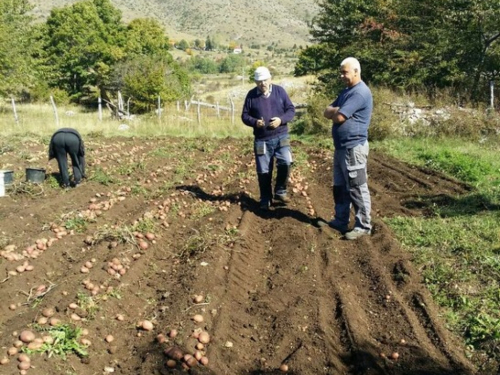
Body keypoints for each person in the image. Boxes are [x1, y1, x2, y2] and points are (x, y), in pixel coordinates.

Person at [323, 57, 373, 240]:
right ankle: (341, 220)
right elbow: (326, 111)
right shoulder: (347, 92)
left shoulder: (359, 93)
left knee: (357, 187)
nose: (342, 75)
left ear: (356, 71)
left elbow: (338, 117)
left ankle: (363, 225)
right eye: (341, 72)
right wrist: (335, 110)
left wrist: (336, 111)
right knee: (340, 187)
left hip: (354, 147)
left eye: (345, 72)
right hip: (341, 148)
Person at [242, 66, 296, 210]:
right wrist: (255, 122)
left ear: (270, 79)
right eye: (259, 81)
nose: (263, 83)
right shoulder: (251, 95)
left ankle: (280, 190)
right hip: (261, 139)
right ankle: (265, 198)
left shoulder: (280, 91)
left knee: (286, 161)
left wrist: (281, 120)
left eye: (265, 80)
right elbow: (245, 115)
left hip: (281, 135)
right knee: (263, 170)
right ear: (255, 82)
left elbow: (291, 110)